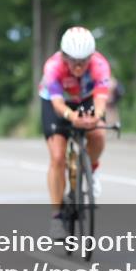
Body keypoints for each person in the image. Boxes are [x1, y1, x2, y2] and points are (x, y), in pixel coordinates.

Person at [38, 26, 119, 239]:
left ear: (92, 56)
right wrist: (73, 117)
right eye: (73, 60)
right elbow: (56, 104)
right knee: (57, 157)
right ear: (64, 56)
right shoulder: (53, 67)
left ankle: (91, 169)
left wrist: (95, 117)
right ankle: (56, 217)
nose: (79, 65)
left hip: (85, 98)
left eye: (84, 60)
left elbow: (101, 100)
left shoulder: (100, 65)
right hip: (57, 103)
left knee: (99, 134)